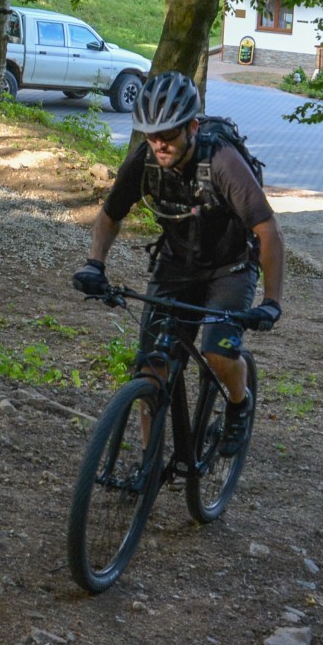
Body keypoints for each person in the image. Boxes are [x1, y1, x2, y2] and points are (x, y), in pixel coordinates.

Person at [72, 72, 284, 457]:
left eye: (168, 134)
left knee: (218, 352)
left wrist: (271, 302)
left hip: (230, 268)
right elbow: (110, 215)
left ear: (192, 127)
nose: (159, 144)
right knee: (151, 367)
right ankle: (148, 464)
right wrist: (95, 264)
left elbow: (268, 230)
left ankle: (239, 403)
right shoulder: (144, 160)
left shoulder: (221, 162)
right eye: (151, 135)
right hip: (175, 266)